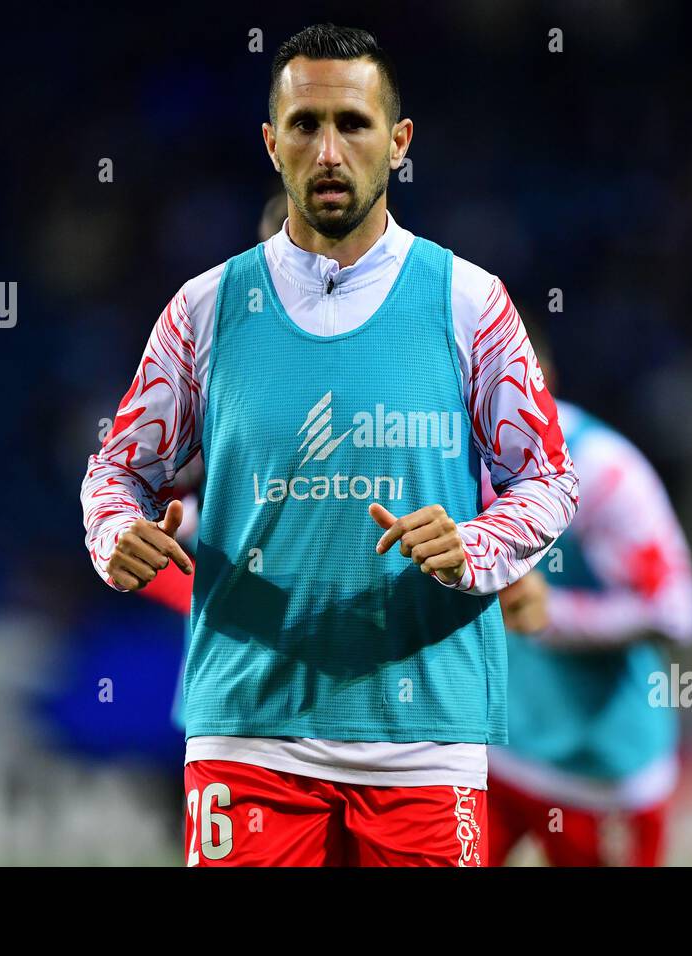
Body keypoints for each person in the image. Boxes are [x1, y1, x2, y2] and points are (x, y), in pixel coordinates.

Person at [80, 23, 577, 866]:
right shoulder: (205, 309)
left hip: (424, 728)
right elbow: (118, 468)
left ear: (399, 140)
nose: (330, 150)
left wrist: (475, 542)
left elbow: (549, 480)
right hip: (251, 727)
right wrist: (112, 530)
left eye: (353, 122)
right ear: (273, 143)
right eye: (306, 125)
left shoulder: (470, 302)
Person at [486, 324, 692, 866]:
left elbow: (677, 613)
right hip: (499, 753)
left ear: (541, 379)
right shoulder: (454, 464)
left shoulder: (607, 473)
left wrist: (553, 617)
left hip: (602, 774)